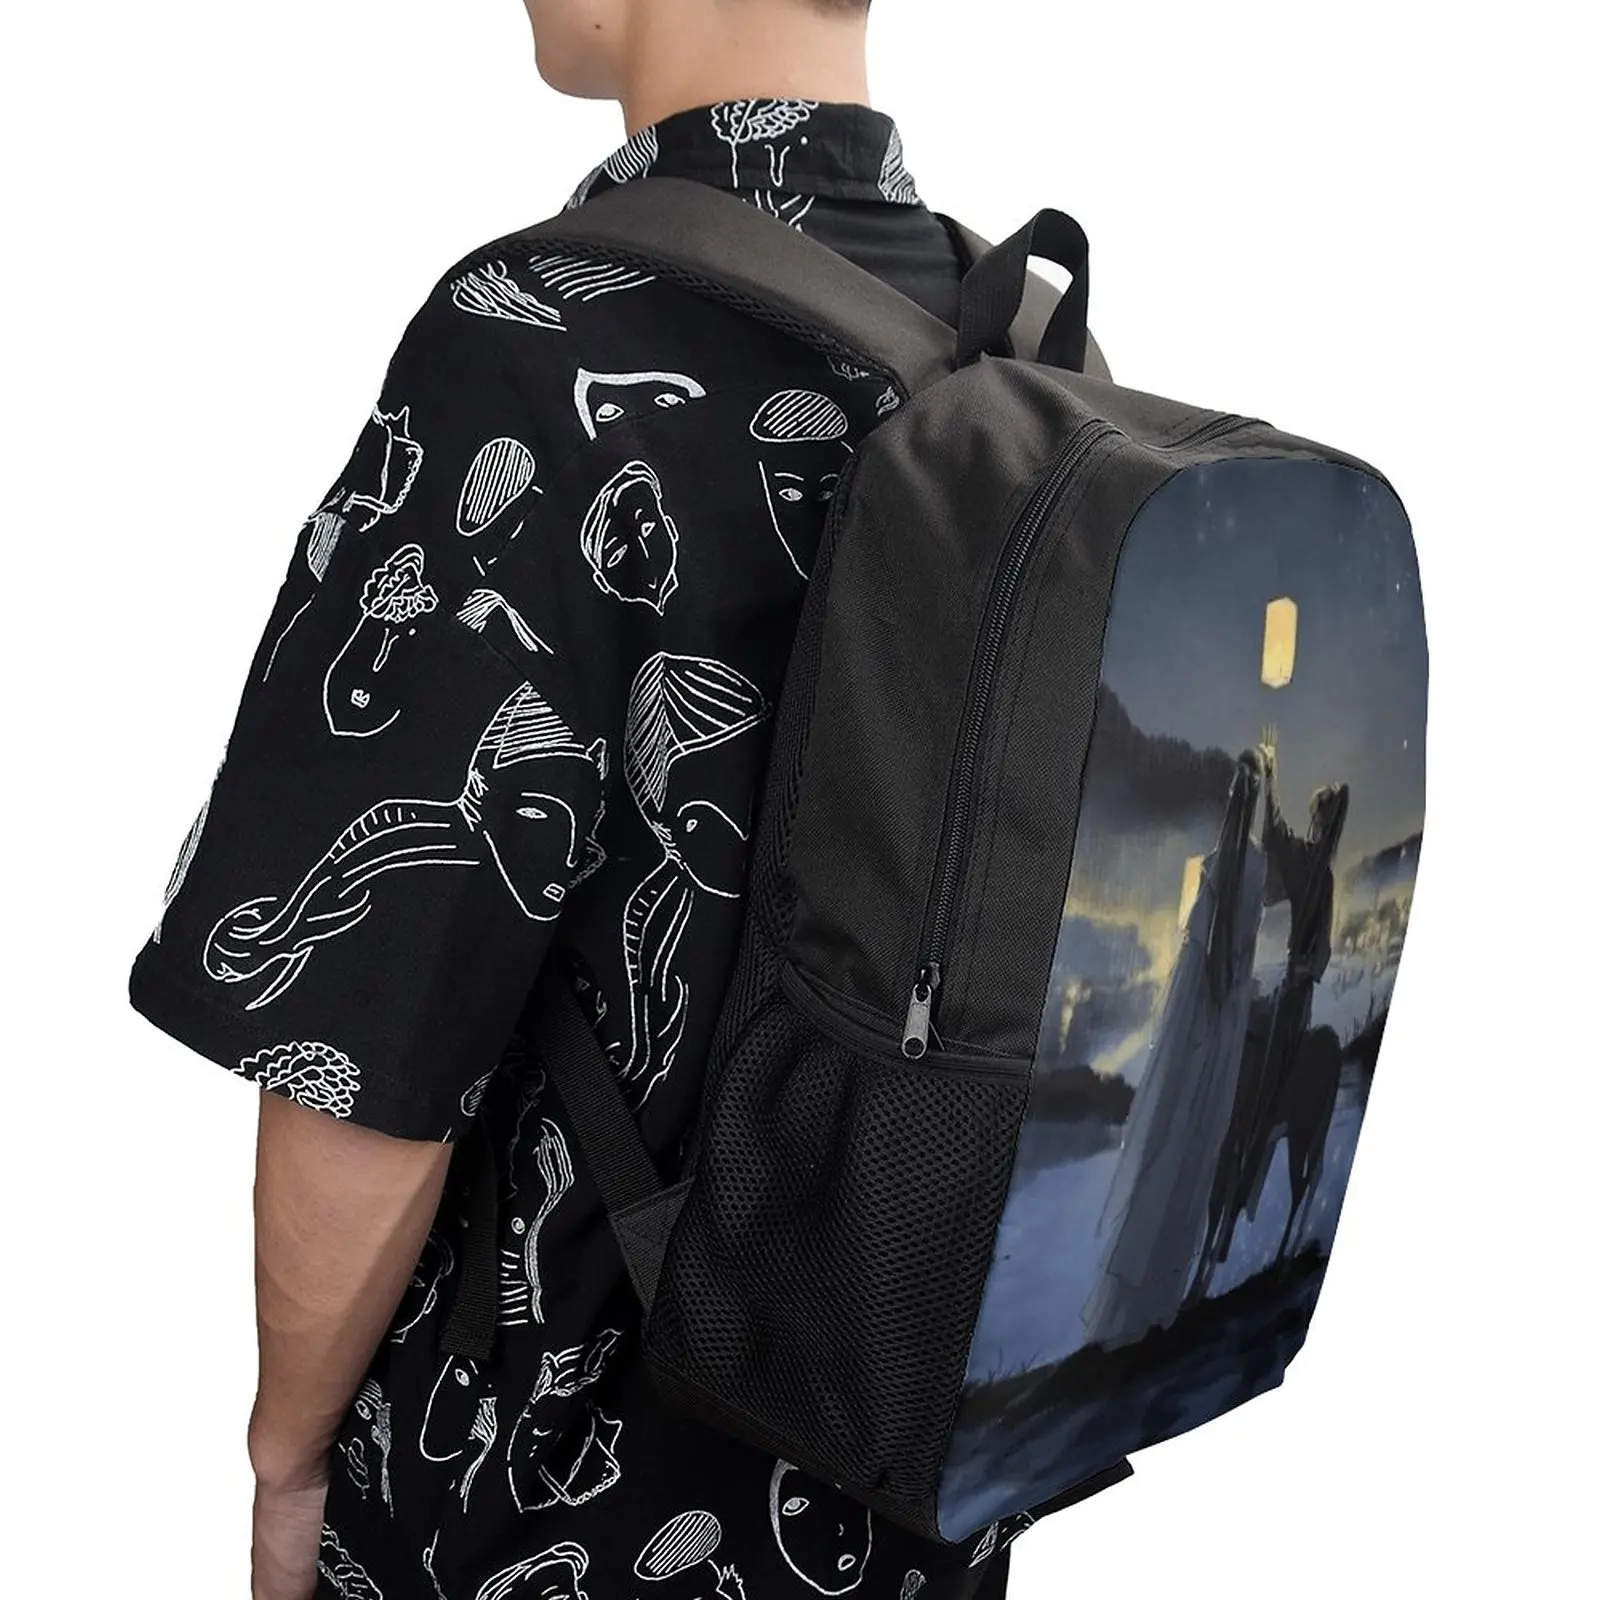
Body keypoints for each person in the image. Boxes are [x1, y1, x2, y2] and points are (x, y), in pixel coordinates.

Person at [128, 3, 1029, 1597]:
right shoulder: (1021, 362)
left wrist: (285, 1463)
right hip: (905, 1491)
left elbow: (360, 1052)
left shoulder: (533, 343)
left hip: (535, 1505)